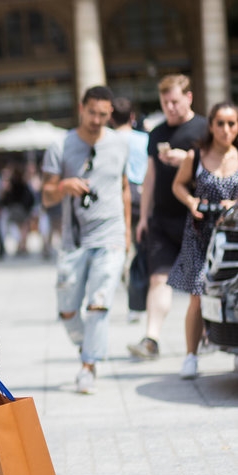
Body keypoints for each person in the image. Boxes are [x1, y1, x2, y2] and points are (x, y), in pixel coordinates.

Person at [41, 86, 131, 394]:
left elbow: (124, 189)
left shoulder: (120, 144)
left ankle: (89, 366)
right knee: (68, 310)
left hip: (110, 235)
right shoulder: (60, 145)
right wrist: (64, 186)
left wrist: (128, 232)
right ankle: (87, 347)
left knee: (98, 303)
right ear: (82, 108)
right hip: (74, 240)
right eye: (92, 112)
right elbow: (46, 195)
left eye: (104, 115)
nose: (97, 120)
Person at [128, 75, 207, 359]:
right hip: (161, 218)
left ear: (188, 98)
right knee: (158, 280)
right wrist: (144, 217)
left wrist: (185, 158)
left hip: (195, 219)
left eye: (174, 101)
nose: (170, 107)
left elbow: (217, 166)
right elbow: (149, 177)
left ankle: (206, 335)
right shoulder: (157, 132)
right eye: (165, 102)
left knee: (200, 285)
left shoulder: (205, 128)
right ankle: (151, 339)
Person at [170, 101, 238, 378]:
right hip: (199, 235)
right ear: (210, 125)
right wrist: (191, 201)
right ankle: (191, 356)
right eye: (220, 123)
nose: (225, 129)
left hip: (231, 239)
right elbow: (178, 185)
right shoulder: (195, 156)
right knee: (198, 295)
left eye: (231, 123)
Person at [110, 97, 150, 323]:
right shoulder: (145, 139)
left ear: (111, 118)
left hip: (118, 200)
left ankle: (133, 300)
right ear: (132, 117)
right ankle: (138, 302)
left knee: (124, 252)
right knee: (142, 250)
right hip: (144, 198)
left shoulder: (109, 140)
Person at [1, 164, 37, 256]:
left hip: (14, 208)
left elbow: (7, 197)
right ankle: (22, 246)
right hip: (22, 208)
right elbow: (30, 196)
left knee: (19, 228)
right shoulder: (23, 183)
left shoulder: (12, 184)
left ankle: (21, 245)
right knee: (24, 228)